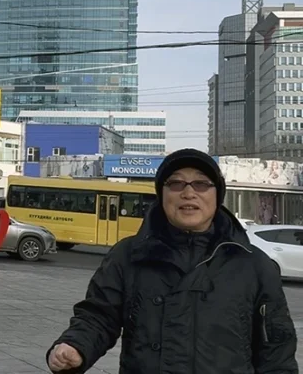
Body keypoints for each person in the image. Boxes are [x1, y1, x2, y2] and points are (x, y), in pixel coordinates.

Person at [46, 148, 298, 374]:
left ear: (217, 195)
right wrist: (75, 345)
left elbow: (277, 351)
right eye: (176, 183)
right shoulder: (128, 255)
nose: (188, 193)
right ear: (162, 194)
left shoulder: (254, 265)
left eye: (201, 184)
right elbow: (98, 317)